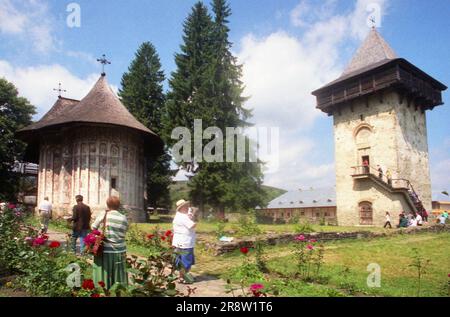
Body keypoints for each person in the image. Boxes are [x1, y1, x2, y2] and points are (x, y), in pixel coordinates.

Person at [92, 196, 128, 289]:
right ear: (118, 205)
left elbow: (93, 227)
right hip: (120, 250)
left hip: (106, 249)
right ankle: (118, 290)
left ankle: (105, 291)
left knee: (104, 273)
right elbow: (124, 231)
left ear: (107, 205)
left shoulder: (104, 214)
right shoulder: (123, 217)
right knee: (118, 274)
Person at [172, 199, 197, 284]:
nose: (187, 207)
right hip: (185, 242)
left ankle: (182, 277)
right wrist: (193, 215)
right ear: (181, 208)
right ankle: (184, 278)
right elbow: (192, 225)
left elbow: (190, 213)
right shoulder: (182, 217)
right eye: (185, 206)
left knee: (180, 261)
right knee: (186, 262)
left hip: (179, 242)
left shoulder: (179, 214)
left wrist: (190, 214)